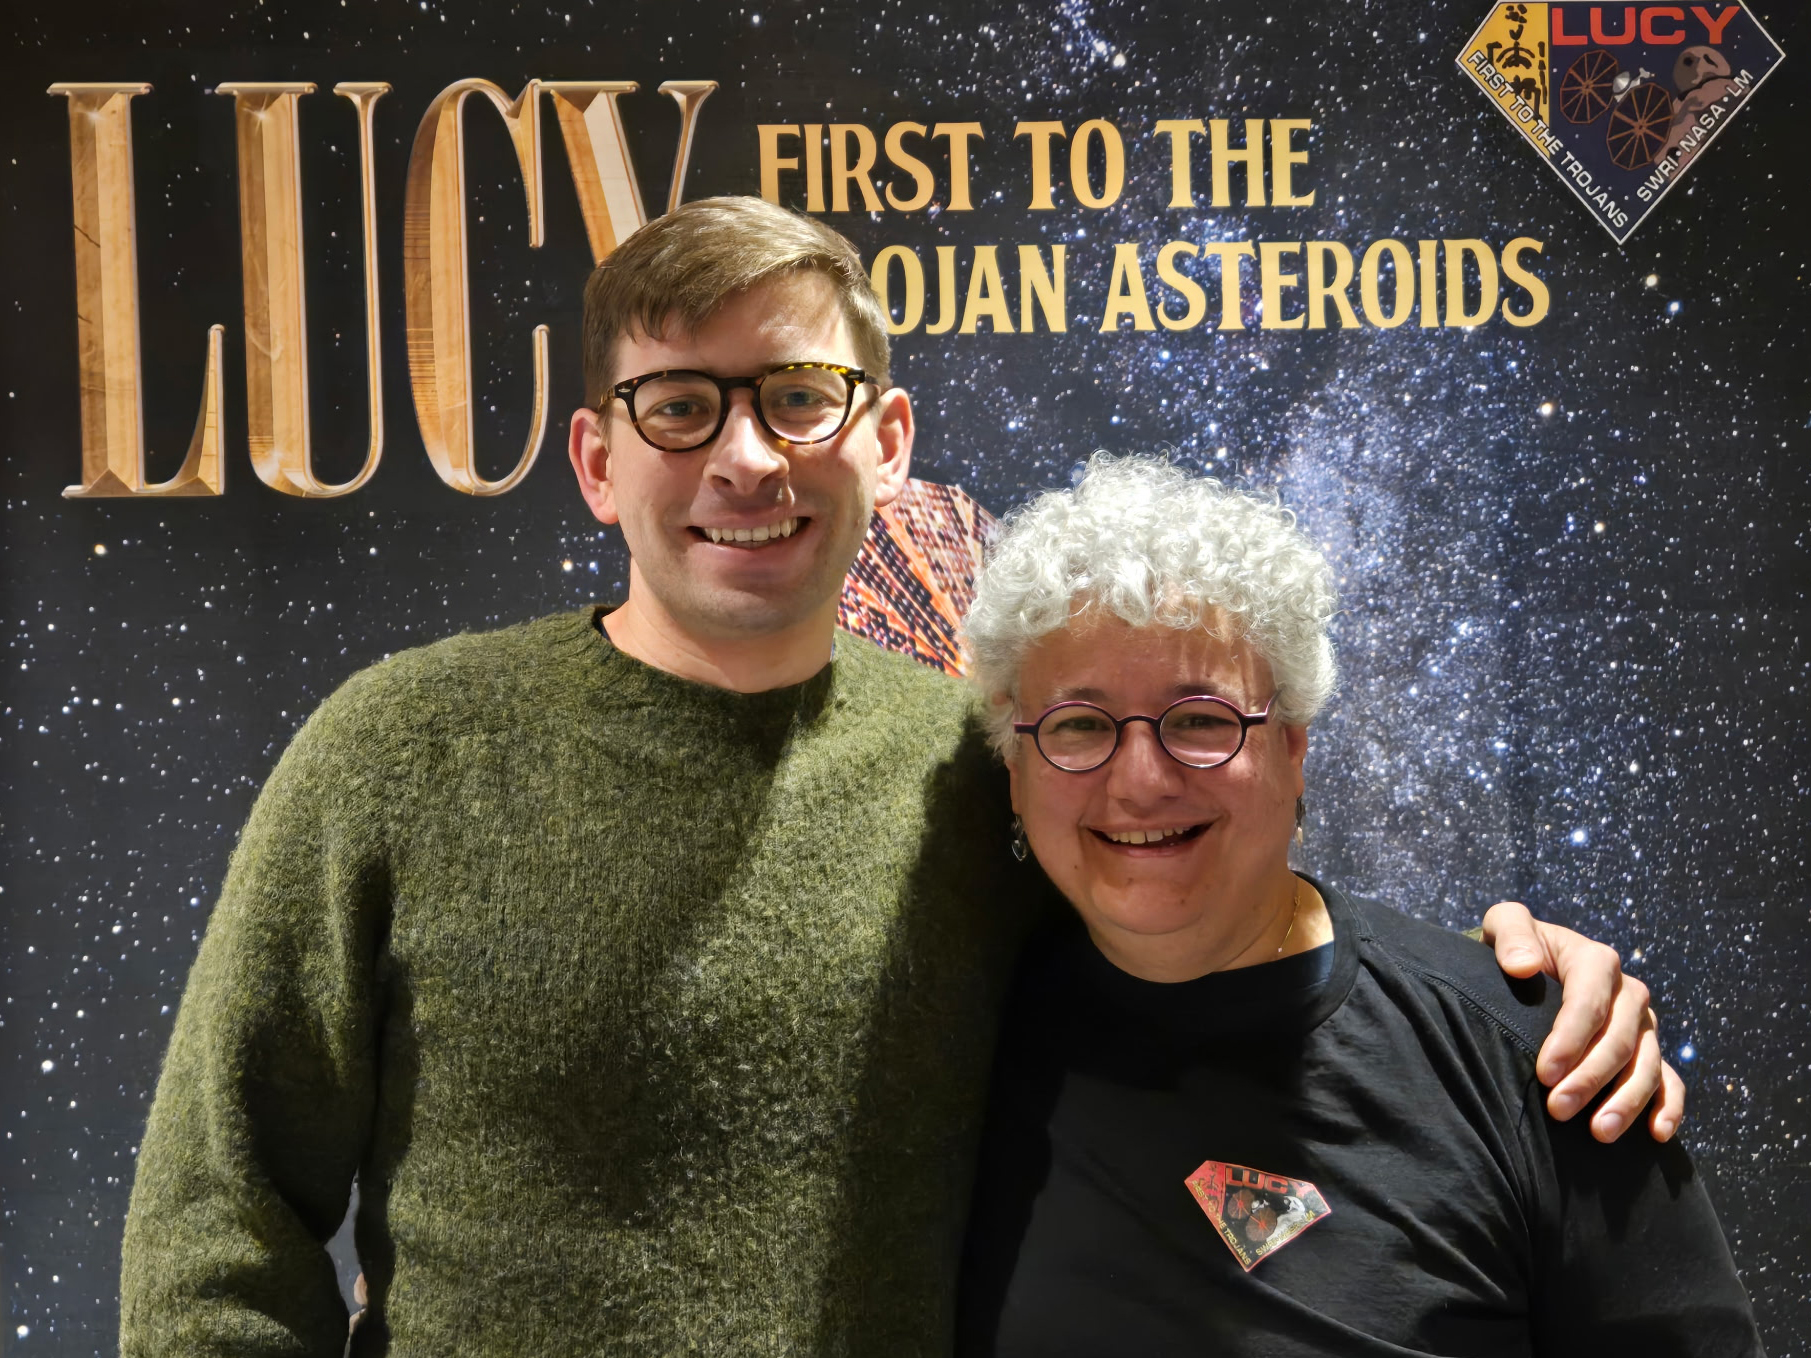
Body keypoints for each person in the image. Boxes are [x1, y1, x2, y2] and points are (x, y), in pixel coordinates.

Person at [120, 198, 1679, 1355]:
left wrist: (1510, 995)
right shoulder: (400, 751)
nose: (746, 458)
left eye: (796, 396)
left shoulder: (984, 765)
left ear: (884, 441)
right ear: (598, 461)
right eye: (681, 405)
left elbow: (1204, 910)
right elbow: (217, 1233)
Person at [955, 456, 1760, 1355]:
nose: (1139, 782)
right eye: (1077, 725)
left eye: (1200, 719)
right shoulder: (950, 1045)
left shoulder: (1535, 1060)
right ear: (1012, 766)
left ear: (1293, 744)